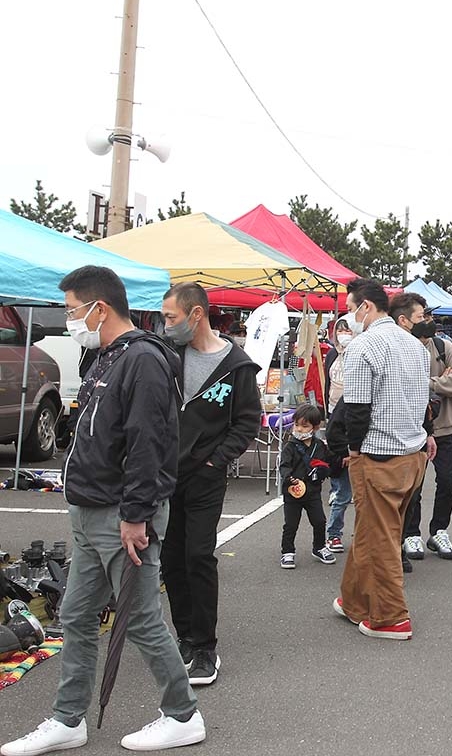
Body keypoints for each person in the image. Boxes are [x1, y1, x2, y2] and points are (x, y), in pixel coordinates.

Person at [2, 266, 205, 755]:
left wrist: (135, 514)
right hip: (91, 509)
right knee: (76, 616)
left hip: (121, 514)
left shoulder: (143, 359)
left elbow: (148, 444)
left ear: (100, 308)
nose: (70, 319)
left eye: (72, 310)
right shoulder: (108, 355)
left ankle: (183, 715)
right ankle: (67, 719)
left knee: (139, 618)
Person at [159, 282, 261, 687]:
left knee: (198, 556)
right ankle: (185, 636)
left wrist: (216, 460)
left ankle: (204, 647)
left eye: (171, 317)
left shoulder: (237, 366)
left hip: (205, 477)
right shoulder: (168, 355)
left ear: (196, 314)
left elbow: (247, 421)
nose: (166, 324)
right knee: (171, 558)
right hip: (165, 476)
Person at [333, 278, 434, 640]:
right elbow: (425, 402)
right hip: (413, 454)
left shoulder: (363, 347)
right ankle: (354, 600)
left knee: (380, 538)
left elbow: (357, 408)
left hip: (379, 455)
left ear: (365, 307)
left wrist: (353, 449)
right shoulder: (416, 346)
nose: (349, 316)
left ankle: (392, 617)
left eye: (350, 308)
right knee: (372, 531)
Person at [390, 292, 452, 562]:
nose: (428, 321)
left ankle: (439, 530)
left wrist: (427, 383)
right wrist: (440, 380)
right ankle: (411, 533)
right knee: (414, 486)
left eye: (428, 315)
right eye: (422, 316)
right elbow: (399, 385)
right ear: (404, 320)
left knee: (448, 481)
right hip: (412, 430)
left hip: (444, 427)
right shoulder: (399, 348)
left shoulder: (442, 346)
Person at [279, 403, 337, 569]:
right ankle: (287, 551)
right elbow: (284, 466)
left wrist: (330, 468)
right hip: (293, 491)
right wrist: (289, 478)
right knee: (291, 524)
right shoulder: (290, 446)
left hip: (312, 491)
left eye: (305, 426)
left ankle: (319, 547)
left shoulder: (320, 446)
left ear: (315, 427)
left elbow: (330, 462)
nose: (299, 429)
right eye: (297, 425)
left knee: (319, 521)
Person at [322, 318, 354, 553]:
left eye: (347, 329)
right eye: (339, 330)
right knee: (341, 492)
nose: (343, 333)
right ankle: (334, 534)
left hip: (355, 416)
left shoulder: (359, 354)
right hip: (335, 412)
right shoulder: (332, 354)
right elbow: (327, 383)